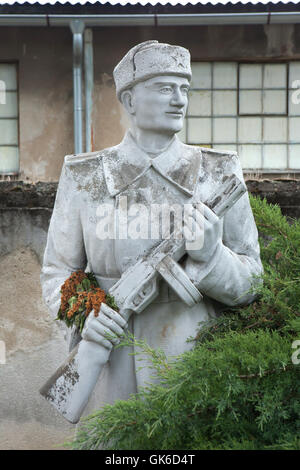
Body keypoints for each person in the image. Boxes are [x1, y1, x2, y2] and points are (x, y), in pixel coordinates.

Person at [41, 40, 263, 416]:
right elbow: (58, 271)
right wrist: (87, 313)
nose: (179, 100)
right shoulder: (86, 177)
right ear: (129, 101)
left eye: (184, 89)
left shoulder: (218, 173)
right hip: (111, 357)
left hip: (190, 362)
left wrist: (212, 257)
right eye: (164, 88)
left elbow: (252, 281)